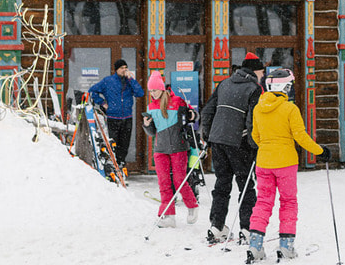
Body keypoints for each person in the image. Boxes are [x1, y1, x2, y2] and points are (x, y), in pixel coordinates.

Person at [246, 68, 326, 262]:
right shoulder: (290, 109)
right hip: (286, 162)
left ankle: (255, 245)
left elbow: (255, 136)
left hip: (264, 161)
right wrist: (320, 151)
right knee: (288, 202)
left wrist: (268, 146)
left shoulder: (258, 108)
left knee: (263, 202)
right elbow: (300, 136)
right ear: (284, 86)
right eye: (289, 86)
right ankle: (286, 246)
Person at [200, 52, 265, 245]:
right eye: (261, 72)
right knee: (246, 185)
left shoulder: (224, 83)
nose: (263, 76)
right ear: (255, 71)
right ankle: (246, 228)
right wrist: (255, 147)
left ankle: (216, 225)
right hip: (239, 142)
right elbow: (252, 120)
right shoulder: (255, 88)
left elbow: (207, 111)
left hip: (218, 140)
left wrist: (208, 136)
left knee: (222, 183)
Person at [142, 71, 199, 228]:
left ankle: (192, 206)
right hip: (160, 149)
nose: (152, 94)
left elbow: (193, 115)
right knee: (164, 182)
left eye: (154, 90)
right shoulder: (151, 106)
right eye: (150, 91)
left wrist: (193, 115)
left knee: (179, 180)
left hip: (178, 147)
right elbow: (152, 132)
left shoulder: (177, 101)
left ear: (161, 89)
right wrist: (147, 125)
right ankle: (168, 215)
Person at [87, 59, 143, 170]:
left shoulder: (129, 82)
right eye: (122, 68)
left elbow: (140, 93)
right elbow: (92, 91)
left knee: (124, 145)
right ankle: (113, 167)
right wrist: (102, 103)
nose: (124, 70)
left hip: (127, 118)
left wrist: (131, 79)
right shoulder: (108, 81)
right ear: (116, 69)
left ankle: (121, 166)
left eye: (126, 68)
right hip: (113, 117)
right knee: (113, 144)